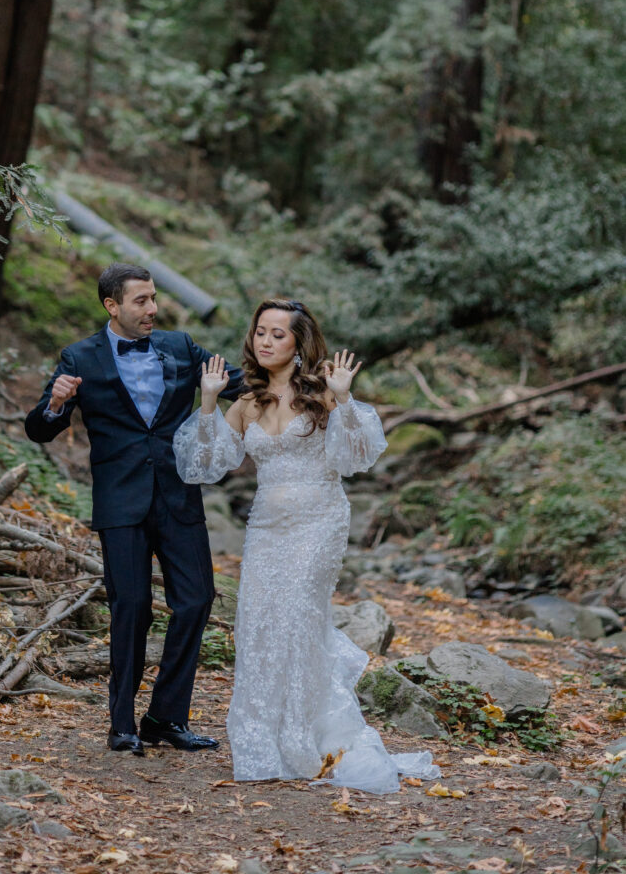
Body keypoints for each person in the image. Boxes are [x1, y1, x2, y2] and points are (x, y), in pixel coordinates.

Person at [172, 298, 439, 793]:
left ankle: (304, 737)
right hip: (267, 526)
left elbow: (359, 456)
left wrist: (346, 398)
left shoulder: (322, 392)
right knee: (258, 624)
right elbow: (204, 466)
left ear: (298, 342)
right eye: (260, 332)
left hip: (320, 520)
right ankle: (262, 744)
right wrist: (208, 401)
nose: (266, 341)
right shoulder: (247, 402)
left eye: (278, 333)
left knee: (296, 614)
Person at [24, 263, 244, 756]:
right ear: (112, 305)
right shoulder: (79, 356)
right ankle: (121, 724)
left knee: (196, 599)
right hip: (120, 502)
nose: (152, 309)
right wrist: (56, 404)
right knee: (132, 608)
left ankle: (166, 716)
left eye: (153, 298)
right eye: (141, 300)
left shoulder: (182, 346)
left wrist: (293, 371)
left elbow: (238, 381)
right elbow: (39, 428)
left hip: (178, 495)